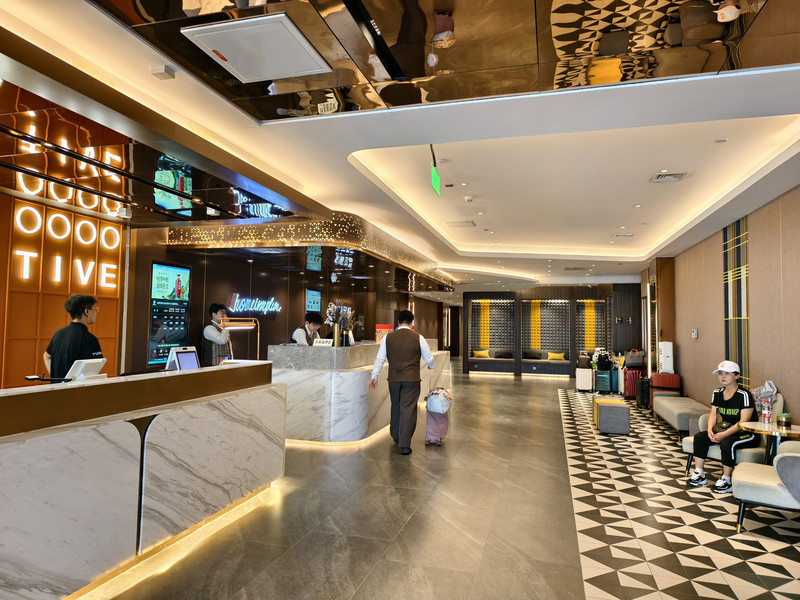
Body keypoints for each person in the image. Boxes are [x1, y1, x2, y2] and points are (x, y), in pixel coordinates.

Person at [686, 360, 758, 494]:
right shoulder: (717, 392)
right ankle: (699, 473)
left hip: (747, 433)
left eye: (727, 373)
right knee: (700, 437)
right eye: (720, 373)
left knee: (727, 442)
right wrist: (709, 430)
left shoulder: (744, 395)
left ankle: (727, 480)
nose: (722, 376)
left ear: (737, 376)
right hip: (725, 429)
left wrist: (724, 435)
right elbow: (713, 414)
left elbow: (743, 422)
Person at [370, 310, 435, 455]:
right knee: (408, 409)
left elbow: (380, 358)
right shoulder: (418, 338)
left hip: (393, 379)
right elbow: (429, 358)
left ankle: (396, 436)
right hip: (411, 379)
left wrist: (375, 376)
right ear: (412, 323)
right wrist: (431, 366)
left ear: (398, 322)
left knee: (396, 406)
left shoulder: (387, 338)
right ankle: (404, 444)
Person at [43, 294, 103, 381]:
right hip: (77, 389)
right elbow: (93, 371)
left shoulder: (58, 334)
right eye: (95, 309)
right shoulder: (89, 339)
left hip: (56, 388)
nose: (97, 312)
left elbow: (46, 356)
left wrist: (56, 378)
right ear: (86, 311)